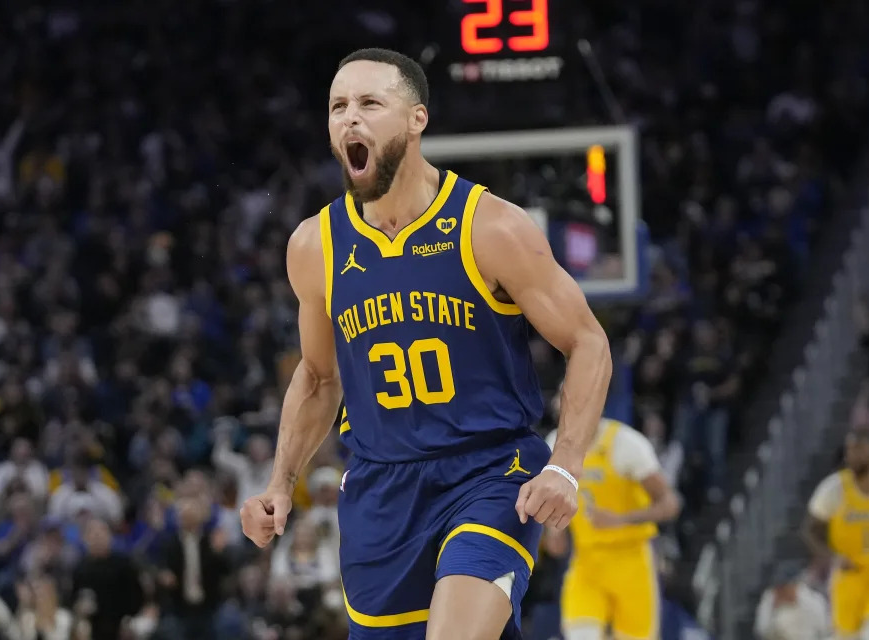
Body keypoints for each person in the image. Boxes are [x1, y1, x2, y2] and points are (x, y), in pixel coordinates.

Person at [240, 47, 612, 640]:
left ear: (417, 119)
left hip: (491, 473)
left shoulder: (490, 226)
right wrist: (279, 483)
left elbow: (588, 341)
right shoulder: (316, 246)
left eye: (369, 103)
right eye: (338, 106)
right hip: (380, 488)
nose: (349, 119)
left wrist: (566, 466)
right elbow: (317, 377)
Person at [544, 419, 681, 640]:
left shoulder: (627, 444)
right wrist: (553, 529)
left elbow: (670, 503)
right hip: (586, 561)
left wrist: (622, 519)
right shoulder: (554, 444)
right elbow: (551, 497)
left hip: (632, 561)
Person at [803, 423, 869, 640]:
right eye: (848, 450)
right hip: (847, 577)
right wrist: (830, 556)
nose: (851, 455)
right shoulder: (834, 488)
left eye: (857, 448)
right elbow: (811, 529)